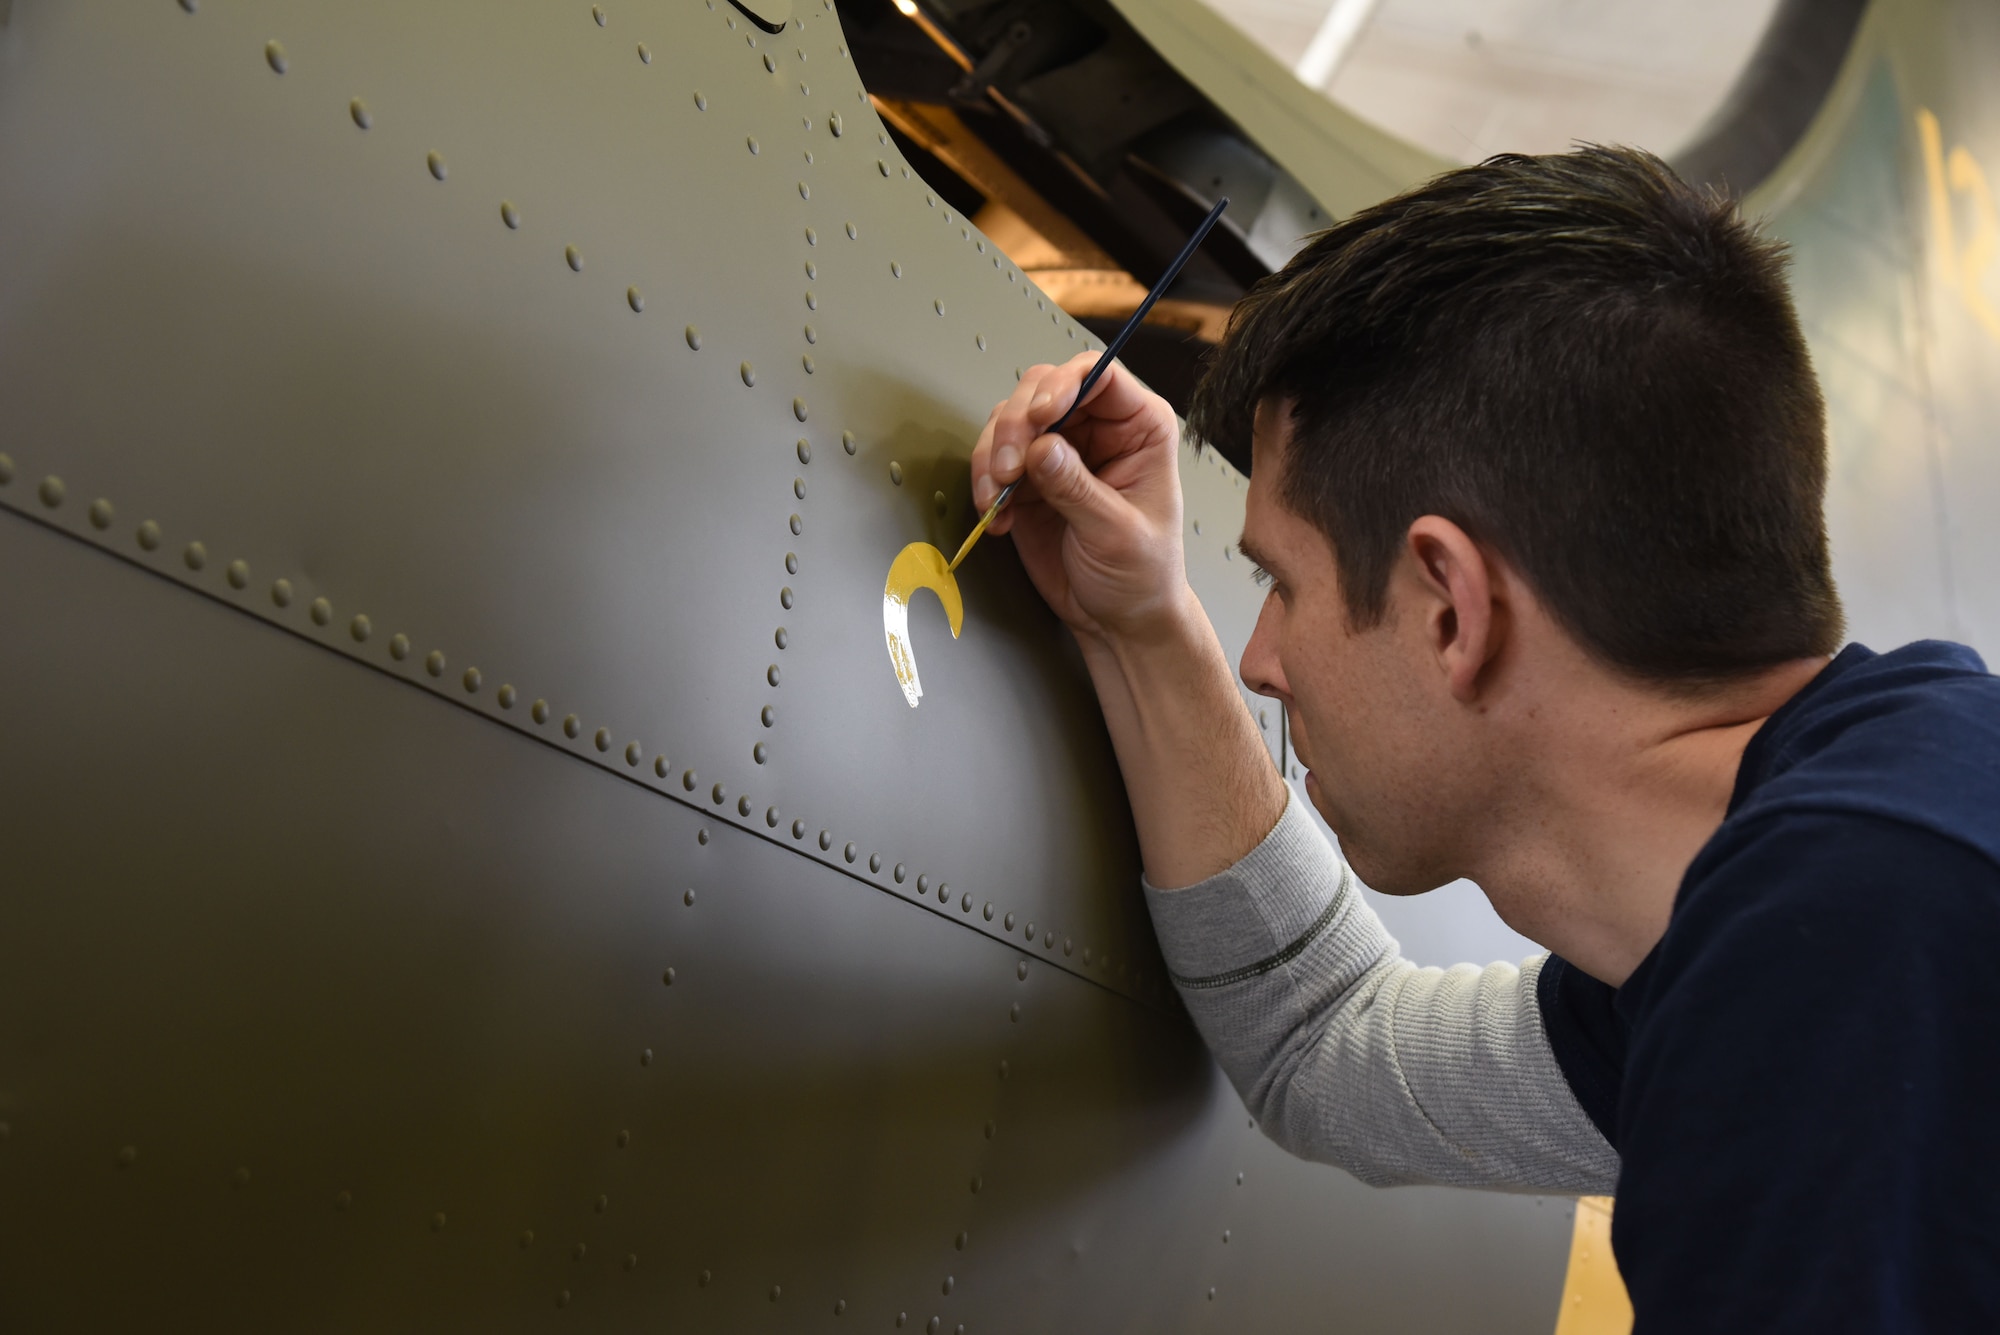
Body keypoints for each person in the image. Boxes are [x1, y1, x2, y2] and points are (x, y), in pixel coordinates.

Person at [967, 146, 2000, 1331]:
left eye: (1282, 586)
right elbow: (1327, 1048)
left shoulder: (1845, 962)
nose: (1261, 659)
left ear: (1450, 610)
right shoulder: (1821, 887)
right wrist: (1141, 626)